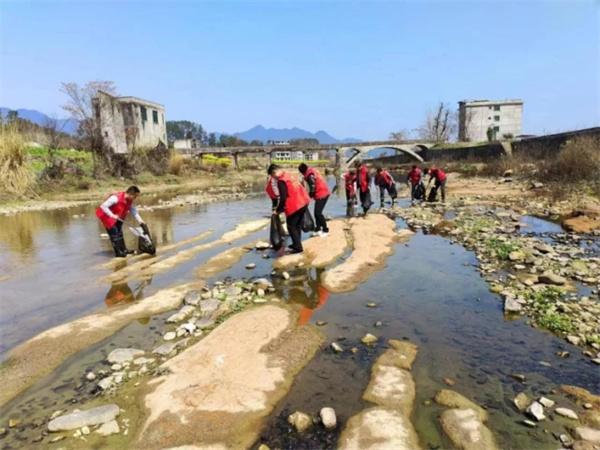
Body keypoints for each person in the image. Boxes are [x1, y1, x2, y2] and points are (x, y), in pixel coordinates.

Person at [267, 164, 310, 254]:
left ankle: (298, 247)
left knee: (291, 226)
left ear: (274, 173)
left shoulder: (281, 180)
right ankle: (296, 243)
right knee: (297, 225)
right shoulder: (289, 175)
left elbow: (283, 198)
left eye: (272, 175)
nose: (273, 178)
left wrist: (278, 210)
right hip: (303, 202)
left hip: (295, 205)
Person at [96, 186, 145, 257]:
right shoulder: (115, 198)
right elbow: (103, 206)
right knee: (114, 233)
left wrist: (140, 220)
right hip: (107, 216)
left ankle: (124, 250)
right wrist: (112, 215)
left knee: (120, 232)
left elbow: (133, 210)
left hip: (117, 216)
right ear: (131, 194)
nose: (135, 198)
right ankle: (119, 252)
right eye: (135, 196)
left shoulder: (129, 200)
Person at [298, 163, 330, 235]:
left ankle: (325, 229)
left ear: (302, 172)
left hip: (322, 194)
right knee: (316, 213)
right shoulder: (311, 171)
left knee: (318, 213)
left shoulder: (310, 175)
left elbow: (312, 188)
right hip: (322, 192)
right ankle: (318, 228)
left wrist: (308, 198)